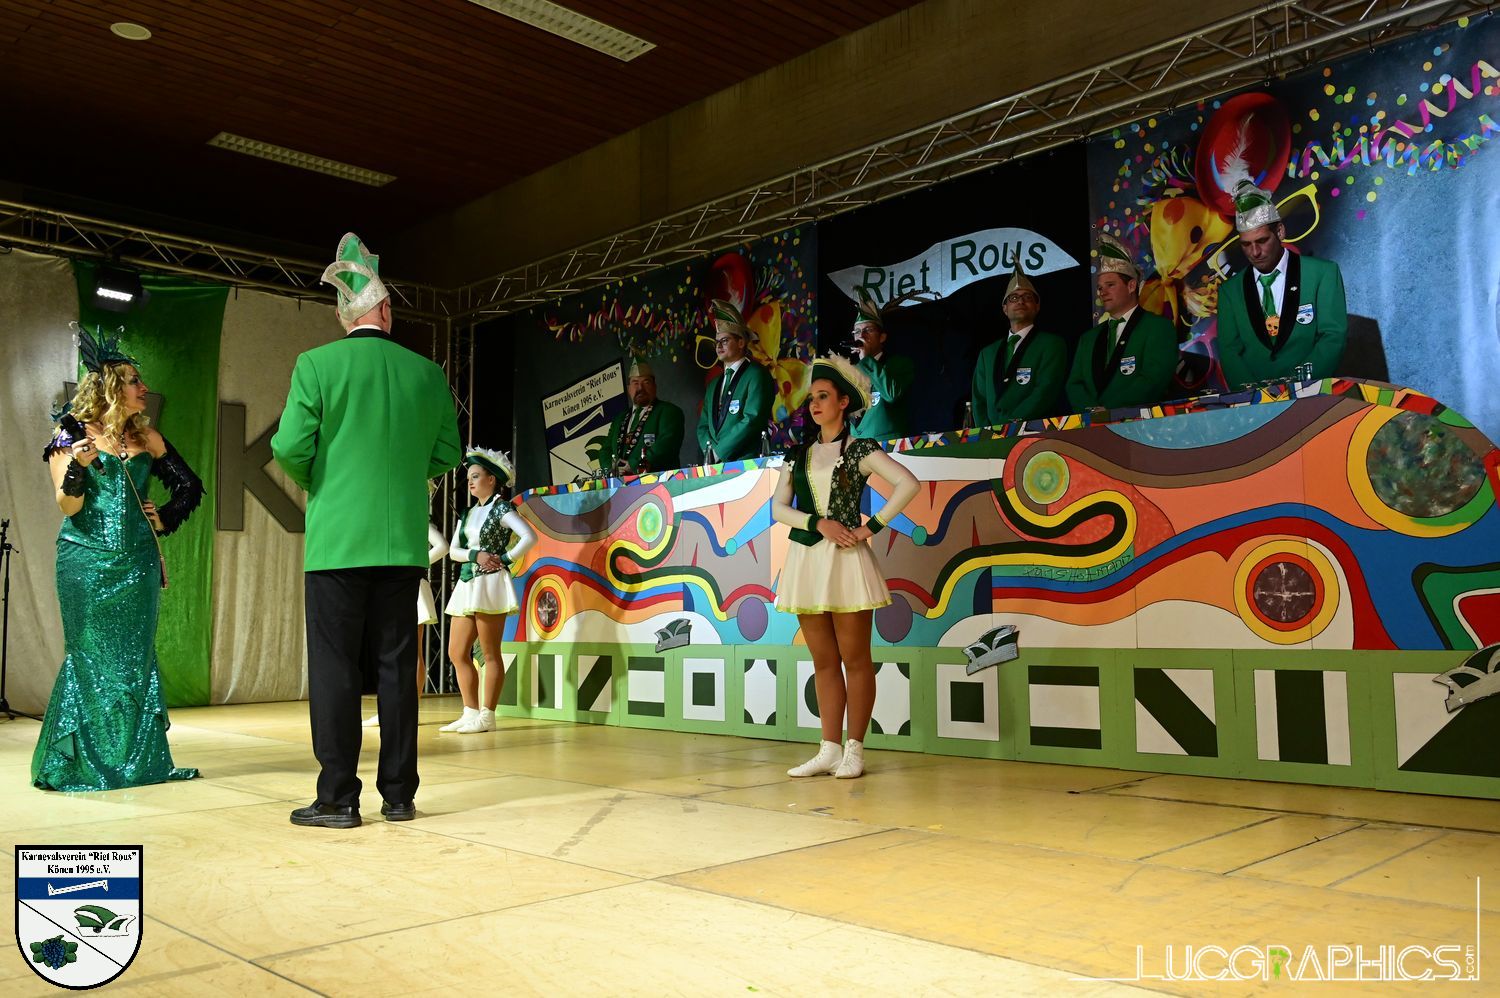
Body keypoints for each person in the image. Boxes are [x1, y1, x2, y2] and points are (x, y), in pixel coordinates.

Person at [272, 232, 461, 828]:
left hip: (337, 542)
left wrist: (324, 483)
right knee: (397, 668)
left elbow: (288, 446)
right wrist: (403, 477)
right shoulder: (426, 373)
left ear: (342, 314)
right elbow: (447, 453)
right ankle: (400, 795)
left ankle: (337, 798)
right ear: (385, 310)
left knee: (335, 669)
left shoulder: (316, 365)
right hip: (401, 543)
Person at [32, 324, 204, 792]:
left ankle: (133, 762)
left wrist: (163, 519)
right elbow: (67, 506)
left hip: (138, 565)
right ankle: (81, 765)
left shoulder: (148, 438)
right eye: (134, 381)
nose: (143, 388)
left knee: (133, 660)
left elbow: (190, 487)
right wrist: (79, 466)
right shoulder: (70, 434)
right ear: (110, 387)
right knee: (90, 658)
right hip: (86, 563)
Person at [771, 355, 919, 780]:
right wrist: (817, 523)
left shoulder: (861, 449)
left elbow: (908, 484)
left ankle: (855, 749)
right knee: (823, 660)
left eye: (823, 397)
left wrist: (870, 527)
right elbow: (778, 509)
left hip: (847, 561)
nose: (815, 404)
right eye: (812, 398)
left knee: (855, 658)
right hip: (806, 559)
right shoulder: (797, 455)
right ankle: (829, 749)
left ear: (843, 403)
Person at [1214, 170, 1348, 390]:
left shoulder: (1322, 274)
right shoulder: (1230, 291)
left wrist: (1300, 386)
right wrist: (1254, 396)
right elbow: (1229, 351)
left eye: (1262, 241)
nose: (1254, 252)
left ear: (1280, 231)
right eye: (1246, 244)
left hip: (1312, 395)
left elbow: (1333, 336)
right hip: (1257, 403)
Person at [441, 448, 535, 734]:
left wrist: (505, 558)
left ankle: (487, 715)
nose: (470, 482)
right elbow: (454, 551)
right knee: (457, 652)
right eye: (469, 477)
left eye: (476, 476)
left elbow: (529, 537)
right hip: (468, 582)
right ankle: (470, 711)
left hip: (491, 583)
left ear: (492, 479)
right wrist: (475, 555)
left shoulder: (502, 509)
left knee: (490, 652)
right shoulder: (468, 513)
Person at [1065, 232, 1179, 412]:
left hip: (1140, 424)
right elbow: (1074, 384)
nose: (1102, 292)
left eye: (1110, 285)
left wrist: (1110, 409)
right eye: (1100, 288)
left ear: (1131, 286)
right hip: (1091, 425)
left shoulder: (1158, 327)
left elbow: (1153, 379)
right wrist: (1091, 412)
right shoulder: (1088, 338)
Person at [363, 520, 447, 727]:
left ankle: (410, 709)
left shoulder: (419, 520)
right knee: (388, 650)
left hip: (411, 585)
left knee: (412, 651)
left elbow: (442, 547)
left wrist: (413, 566)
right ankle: (389, 709)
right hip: (389, 589)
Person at [971, 264, 1068, 427]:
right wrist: (986, 431)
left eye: (1027, 297)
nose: (1021, 301)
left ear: (1037, 306)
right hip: (992, 435)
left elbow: (1046, 390)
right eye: (1014, 298)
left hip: (1035, 431)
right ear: (1005, 308)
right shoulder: (987, 353)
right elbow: (979, 398)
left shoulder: (1051, 344)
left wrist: (1010, 426)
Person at [696, 299, 773, 463]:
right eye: (717, 342)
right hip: (714, 464)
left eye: (724, 341)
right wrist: (709, 452)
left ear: (741, 342)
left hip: (747, 463)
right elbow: (703, 426)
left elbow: (752, 419)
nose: (719, 346)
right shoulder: (713, 385)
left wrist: (719, 451)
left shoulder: (756, 375)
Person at [849, 288, 919, 441]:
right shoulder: (849, 372)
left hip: (888, 446)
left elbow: (891, 394)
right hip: (855, 445)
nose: (861, 336)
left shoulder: (899, 364)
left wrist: (867, 360)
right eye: (857, 332)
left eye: (868, 330)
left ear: (882, 337)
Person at [596, 360, 685, 475]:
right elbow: (605, 450)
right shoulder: (619, 418)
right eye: (635, 383)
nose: (640, 388)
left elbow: (666, 446)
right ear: (629, 388)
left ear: (654, 386)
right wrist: (612, 468)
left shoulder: (669, 412)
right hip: (620, 483)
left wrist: (634, 464)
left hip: (658, 482)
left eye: (646, 382)